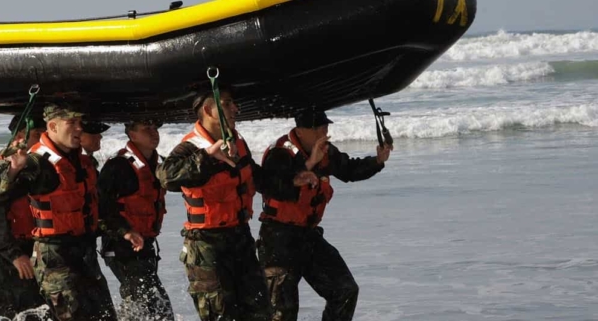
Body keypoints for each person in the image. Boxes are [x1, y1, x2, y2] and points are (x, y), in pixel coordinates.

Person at [0, 102, 143, 320]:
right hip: (55, 258)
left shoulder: (82, 161)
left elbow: (97, 205)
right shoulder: (36, 163)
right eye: (71, 123)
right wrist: (13, 171)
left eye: (79, 123)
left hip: (84, 253)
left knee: (106, 316)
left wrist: (124, 230)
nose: (79, 128)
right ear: (52, 127)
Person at [257, 109, 392, 321]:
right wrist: (309, 163)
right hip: (278, 240)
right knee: (281, 313)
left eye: (326, 127)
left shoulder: (325, 151)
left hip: (308, 237)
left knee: (345, 290)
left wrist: (377, 161)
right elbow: (275, 186)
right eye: (319, 128)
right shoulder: (281, 153)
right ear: (301, 131)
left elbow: (349, 170)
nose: (325, 132)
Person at [155, 87, 272, 321]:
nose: (235, 109)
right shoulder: (190, 147)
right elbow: (166, 176)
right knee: (220, 315)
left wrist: (295, 178)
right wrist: (207, 156)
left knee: (261, 312)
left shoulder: (237, 143)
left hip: (240, 239)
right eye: (228, 104)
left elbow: (255, 176)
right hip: (207, 247)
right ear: (209, 110)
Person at [0, 114, 53, 320]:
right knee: (19, 315)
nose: (42, 139)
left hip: (26, 248)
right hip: (2, 255)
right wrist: (14, 255)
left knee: (41, 312)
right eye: (38, 134)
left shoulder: (32, 164)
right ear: (21, 135)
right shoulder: (0, 166)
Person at [98, 119, 174, 320]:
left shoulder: (158, 164)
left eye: (154, 127)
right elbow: (101, 206)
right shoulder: (119, 166)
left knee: (153, 305)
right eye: (146, 128)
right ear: (132, 134)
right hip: (121, 247)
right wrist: (125, 231)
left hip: (145, 247)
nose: (153, 132)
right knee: (148, 304)